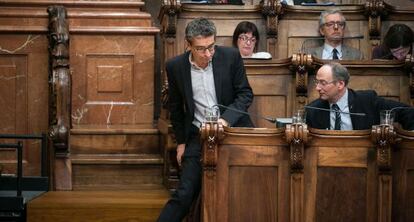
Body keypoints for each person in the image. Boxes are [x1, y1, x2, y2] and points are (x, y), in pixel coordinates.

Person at [157, 17, 254, 222]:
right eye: (201, 49)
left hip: (233, 130)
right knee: (184, 193)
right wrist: (182, 142)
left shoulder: (230, 56)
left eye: (211, 47)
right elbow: (175, 108)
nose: (208, 54)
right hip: (198, 135)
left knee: (248, 186)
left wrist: (225, 120)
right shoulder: (175, 66)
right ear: (188, 45)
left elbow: (245, 94)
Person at [305, 62, 414, 130]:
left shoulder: (367, 101)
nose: (318, 88)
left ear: (340, 84)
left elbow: (407, 112)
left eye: (323, 83)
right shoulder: (313, 110)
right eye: (317, 82)